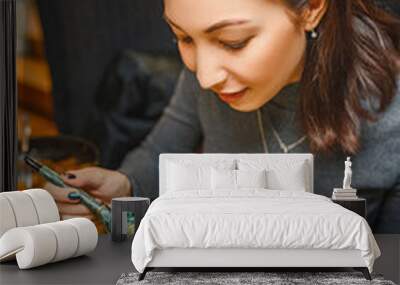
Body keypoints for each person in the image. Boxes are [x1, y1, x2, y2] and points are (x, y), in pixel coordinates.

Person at [45, 0, 400, 233]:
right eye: (182, 38)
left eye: (233, 42)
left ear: (312, 8)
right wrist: (126, 185)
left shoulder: (390, 110)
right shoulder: (208, 69)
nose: (204, 76)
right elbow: (163, 148)